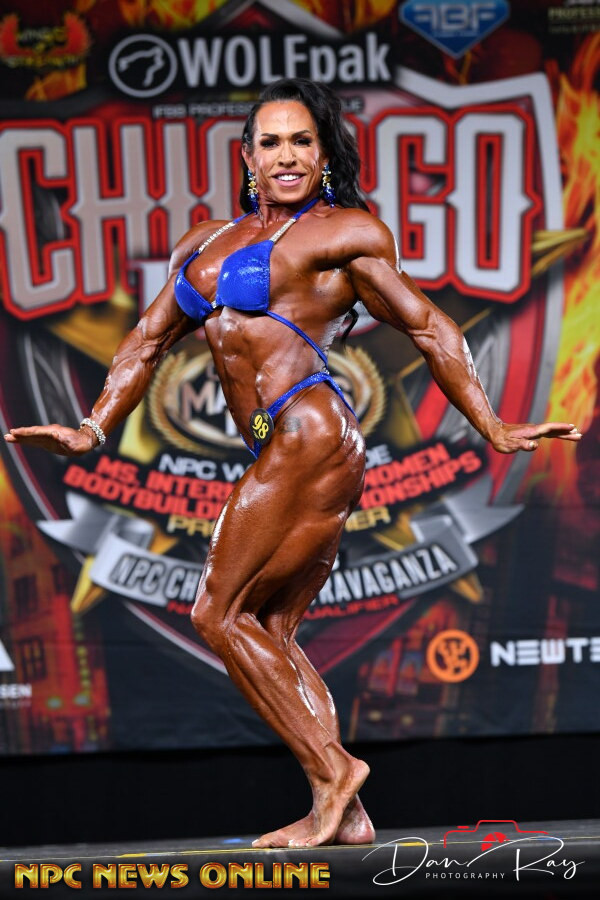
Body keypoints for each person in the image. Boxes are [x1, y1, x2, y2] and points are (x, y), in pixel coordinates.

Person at [4, 78, 581, 848]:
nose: (287, 156)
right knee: (270, 626)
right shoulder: (204, 243)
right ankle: (344, 813)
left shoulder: (343, 234)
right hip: (286, 441)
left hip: (310, 430)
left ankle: (335, 772)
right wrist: (91, 428)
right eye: (271, 142)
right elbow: (145, 342)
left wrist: (493, 425)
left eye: (302, 141)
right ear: (247, 156)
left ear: (323, 154)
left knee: (216, 613)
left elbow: (430, 327)